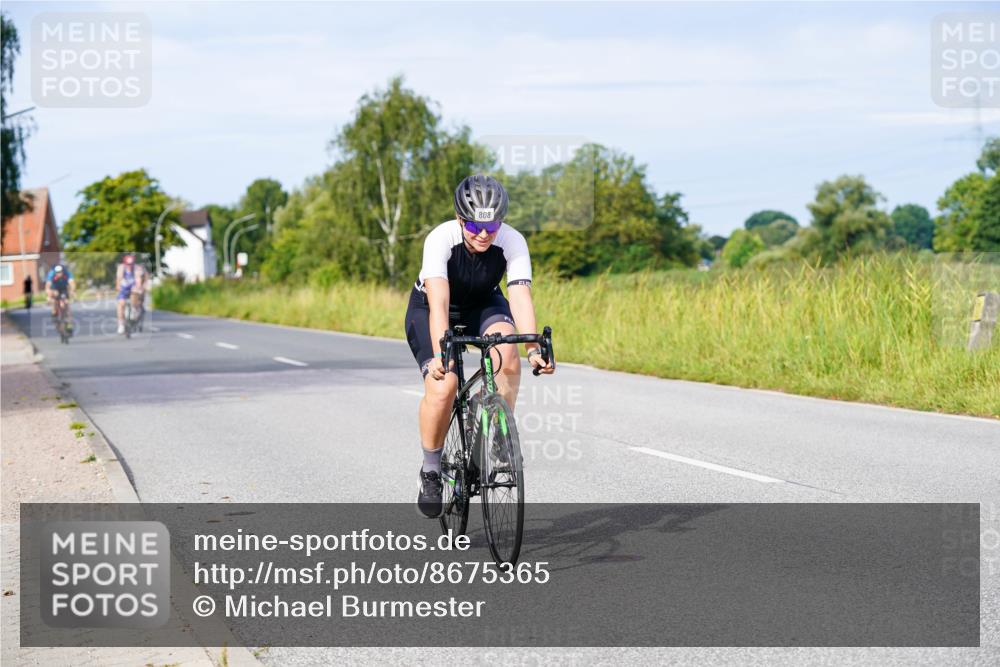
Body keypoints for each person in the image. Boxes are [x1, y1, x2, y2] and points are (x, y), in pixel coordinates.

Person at [404, 174, 554, 519]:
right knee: (444, 385)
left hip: (485, 305)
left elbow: (519, 297)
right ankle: (430, 470)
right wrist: (443, 355)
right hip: (433, 308)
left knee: (509, 359)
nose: (484, 234)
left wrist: (534, 348)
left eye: (493, 225)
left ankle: (497, 427)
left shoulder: (513, 241)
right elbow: (439, 303)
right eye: (474, 225)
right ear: (460, 218)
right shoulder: (441, 238)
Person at [116, 253, 148, 334]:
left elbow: (138, 281)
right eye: (128, 264)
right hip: (124, 287)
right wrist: (118, 287)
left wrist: (139, 288)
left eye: (131, 264)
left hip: (133, 287)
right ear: (125, 263)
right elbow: (118, 280)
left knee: (135, 295)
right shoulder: (121, 268)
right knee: (121, 304)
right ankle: (121, 325)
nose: (129, 266)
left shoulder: (137, 268)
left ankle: (134, 309)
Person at [45, 264, 75, 329]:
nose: (59, 274)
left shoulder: (67, 274)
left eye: (60, 272)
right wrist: (48, 296)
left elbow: (72, 283)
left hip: (64, 288)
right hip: (55, 289)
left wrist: (72, 292)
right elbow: (48, 286)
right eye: (57, 273)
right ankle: (54, 313)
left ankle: (69, 322)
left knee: (66, 304)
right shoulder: (51, 275)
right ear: (55, 272)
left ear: (62, 271)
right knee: (54, 301)